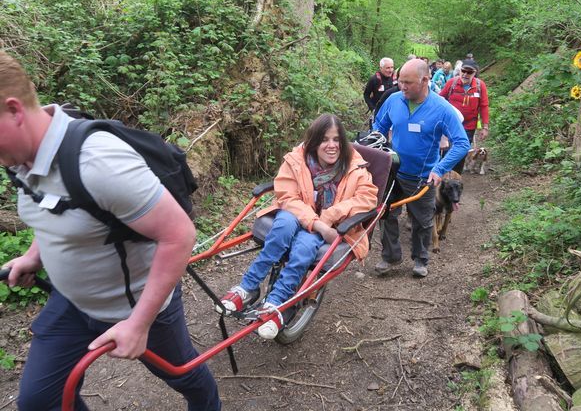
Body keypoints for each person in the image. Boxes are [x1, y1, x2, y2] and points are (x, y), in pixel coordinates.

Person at [0, 51, 221, 411]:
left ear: (13, 110)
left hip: (134, 305)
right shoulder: (23, 156)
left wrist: (138, 323)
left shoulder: (98, 161)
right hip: (71, 303)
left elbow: (178, 235)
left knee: (184, 375)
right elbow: (58, 210)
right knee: (40, 403)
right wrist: (33, 256)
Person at [218, 113, 378, 339]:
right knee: (284, 223)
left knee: (304, 248)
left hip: (323, 226)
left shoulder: (354, 167)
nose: (331, 146)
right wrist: (318, 224)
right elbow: (288, 197)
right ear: (314, 142)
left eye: (336, 140)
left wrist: (331, 214)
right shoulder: (297, 160)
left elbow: (367, 198)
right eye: (324, 140)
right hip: (300, 217)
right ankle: (248, 286)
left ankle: (275, 302)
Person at [372, 59, 469, 278]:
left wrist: (440, 168)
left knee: (423, 221)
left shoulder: (442, 109)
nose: (401, 86)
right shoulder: (394, 100)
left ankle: (420, 258)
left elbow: (462, 143)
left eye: (407, 82)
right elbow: (378, 128)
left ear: (425, 80)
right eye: (400, 81)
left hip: (423, 176)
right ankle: (390, 256)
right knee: (386, 214)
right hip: (393, 171)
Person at [439, 59, 490, 174]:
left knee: (461, 152)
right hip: (450, 125)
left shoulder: (480, 86)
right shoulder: (452, 83)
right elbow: (439, 99)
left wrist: (485, 127)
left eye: (469, 72)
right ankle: (443, 176)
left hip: (468, 126)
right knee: (447, 151)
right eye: (463, 71)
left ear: (474, 73)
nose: (465, 74)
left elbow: (484, 106)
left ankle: (455, 178)